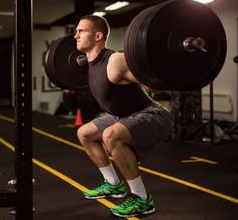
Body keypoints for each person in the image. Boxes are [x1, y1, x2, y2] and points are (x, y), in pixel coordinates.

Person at [74, 14, 174, 218]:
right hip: (122, 115)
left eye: (81, 31)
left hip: (152, 114)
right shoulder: (90, 62)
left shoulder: (115, 60)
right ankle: (113, 185)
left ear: (98, 36)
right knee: (84, 133)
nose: (75, 35)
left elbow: (151, 84)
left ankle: (142, 199)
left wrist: (166, 69)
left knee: (110, 136)